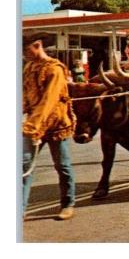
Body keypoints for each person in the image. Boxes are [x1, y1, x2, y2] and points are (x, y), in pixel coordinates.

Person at [22, 32, 77, 220]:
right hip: (34, 125)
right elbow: (24, 96)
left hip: (56, 125)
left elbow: (49, 101)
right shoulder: (28, 67)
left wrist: (32, 126)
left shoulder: (55, 69)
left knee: (62, 165)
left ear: (37, 45)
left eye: (25, 49)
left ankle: (68, 204)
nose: (23, 54)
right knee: (24, 168)